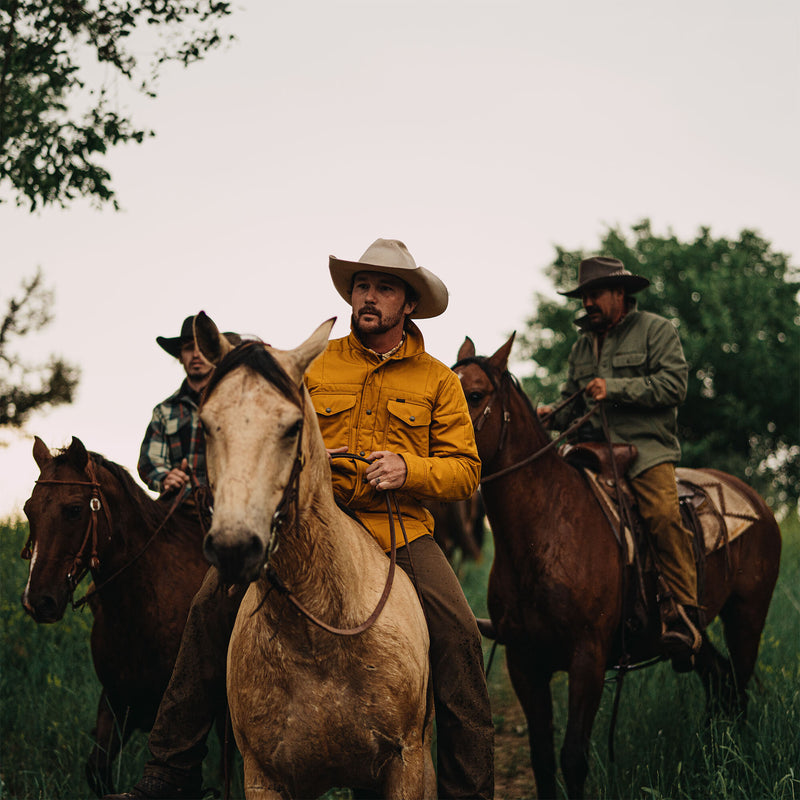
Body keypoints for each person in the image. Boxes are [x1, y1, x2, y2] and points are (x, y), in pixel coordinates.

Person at [107, 240, 494, 800]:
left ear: (407, 304)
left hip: (398, 531)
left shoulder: (437, 380)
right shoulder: (311, 364)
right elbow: (267, 422)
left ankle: (470, 791)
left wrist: (407, 468)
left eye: (384, 288)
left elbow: (465, 471)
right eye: (361, 285)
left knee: (458, 635)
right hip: (309, 526)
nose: (369, 297)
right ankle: (169, 774)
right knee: (208, 608)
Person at [538, 256, 702, 659]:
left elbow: (673, 386)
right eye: (584, 296)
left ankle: (684, 615)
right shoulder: (581, 345)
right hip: (592, 449)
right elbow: (572, 399)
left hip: (646, 449)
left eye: (594, 294)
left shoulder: (656, 331)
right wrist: (551, 413)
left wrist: (615, 388)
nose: (588, 303)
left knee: (663, 514)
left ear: (620, 293)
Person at [138, 315, 239, 498]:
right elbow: (148, 461)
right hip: (179, 508)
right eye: (188, 348)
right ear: (179, 357)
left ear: (215, 355)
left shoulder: (235, 405)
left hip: (227, 503)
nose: (196, 355)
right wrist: (165, 477)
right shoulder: (164, 411)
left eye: (203, 348)